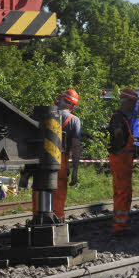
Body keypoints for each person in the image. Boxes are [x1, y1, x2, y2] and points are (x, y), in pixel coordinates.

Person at [108, 88, 139, 235]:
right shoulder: (119, 118)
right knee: (122, 193)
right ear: (125, 102)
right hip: (121, 160)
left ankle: (122, 224)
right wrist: (121, 149)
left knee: (124, 193)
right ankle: (119, 228)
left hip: (124, 160)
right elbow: (118, 134)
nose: (134, 105)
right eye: (133, 102)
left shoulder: (123, 117)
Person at [53, 88, 82, 219]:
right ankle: (57, 221)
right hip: (60, 162)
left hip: (41, 160)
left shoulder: (47, 115)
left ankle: (38, 220)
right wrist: (75, 171)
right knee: (59, 193)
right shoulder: (74, 120)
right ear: (73, 105)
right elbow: (76, 147)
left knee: (40, 190)